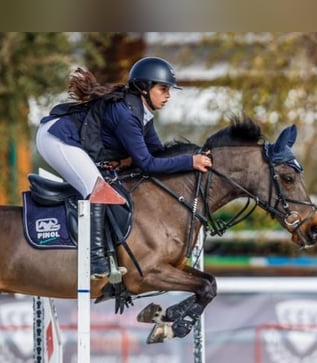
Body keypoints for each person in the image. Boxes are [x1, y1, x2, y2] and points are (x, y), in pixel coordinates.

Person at [36, 56, 212, 279]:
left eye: (169, 90)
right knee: (97, 189)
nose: (168, 96)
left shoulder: (142, 114)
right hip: (56, 138)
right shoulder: (126, 114)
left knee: (110, 186)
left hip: (71, 138)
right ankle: (96, 262)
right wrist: (190, 162)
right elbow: (147, 163)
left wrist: (193, 157)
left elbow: (157, 153)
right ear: (144, 88)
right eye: (163, 89)